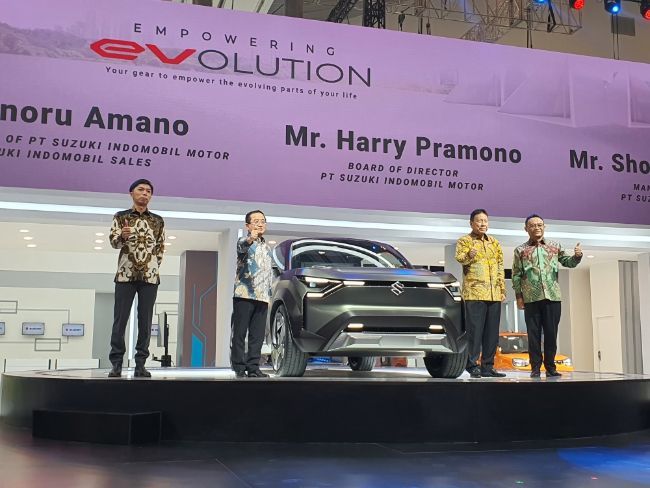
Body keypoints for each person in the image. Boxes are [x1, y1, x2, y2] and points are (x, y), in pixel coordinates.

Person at [512, 214, 582, 378]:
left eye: (540, 225)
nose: (537, 227)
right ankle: (535, 368)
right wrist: (519, 297)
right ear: (526, 229)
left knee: (551, 334)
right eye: (532, 225)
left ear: (544, 227)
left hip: (552, 297)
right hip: (531, 298)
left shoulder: (555, 246)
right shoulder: (520, 250)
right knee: (533, 335)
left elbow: (568, 262)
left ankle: (550, 367)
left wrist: (577, 256)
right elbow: (516, 275)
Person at [107, 179, 165, 378]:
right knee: (120, 321)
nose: (145, 193)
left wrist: (153, 266)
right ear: (131, 193)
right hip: (126, 275)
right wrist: (122, 236)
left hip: (150, 277)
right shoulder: (121, 216)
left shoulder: (158, 220)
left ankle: (141, 363)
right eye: (141, 190)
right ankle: (116, 364)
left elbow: (160, 247)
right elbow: (114, 243)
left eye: (149, 191)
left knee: (145, 322)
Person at [455, 209, 506, 378]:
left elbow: (500, 267)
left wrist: (502, 290)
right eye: (479, 221)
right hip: (474, 293)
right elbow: (460, 258)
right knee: (474, 332)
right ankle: (472, 365)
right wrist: (469, 255)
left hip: (494, 294)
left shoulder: (494, 243)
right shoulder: (465, 241)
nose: (483, 224)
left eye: (485, 221)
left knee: (492, 333)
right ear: (471, 223)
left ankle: (488, 366)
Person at [231, 210, 273, 378]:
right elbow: (242, 246)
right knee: (240, 333)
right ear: (247, 225)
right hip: (244, 294)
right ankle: (239, 367)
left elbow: (268, 273)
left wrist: (270, 294)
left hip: (262, 297)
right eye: (256, 221)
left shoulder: (267, 248)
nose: (260, 224)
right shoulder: (243, 242)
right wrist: (251, 238)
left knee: (258, 335)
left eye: (262, 221)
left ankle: (254, 367)